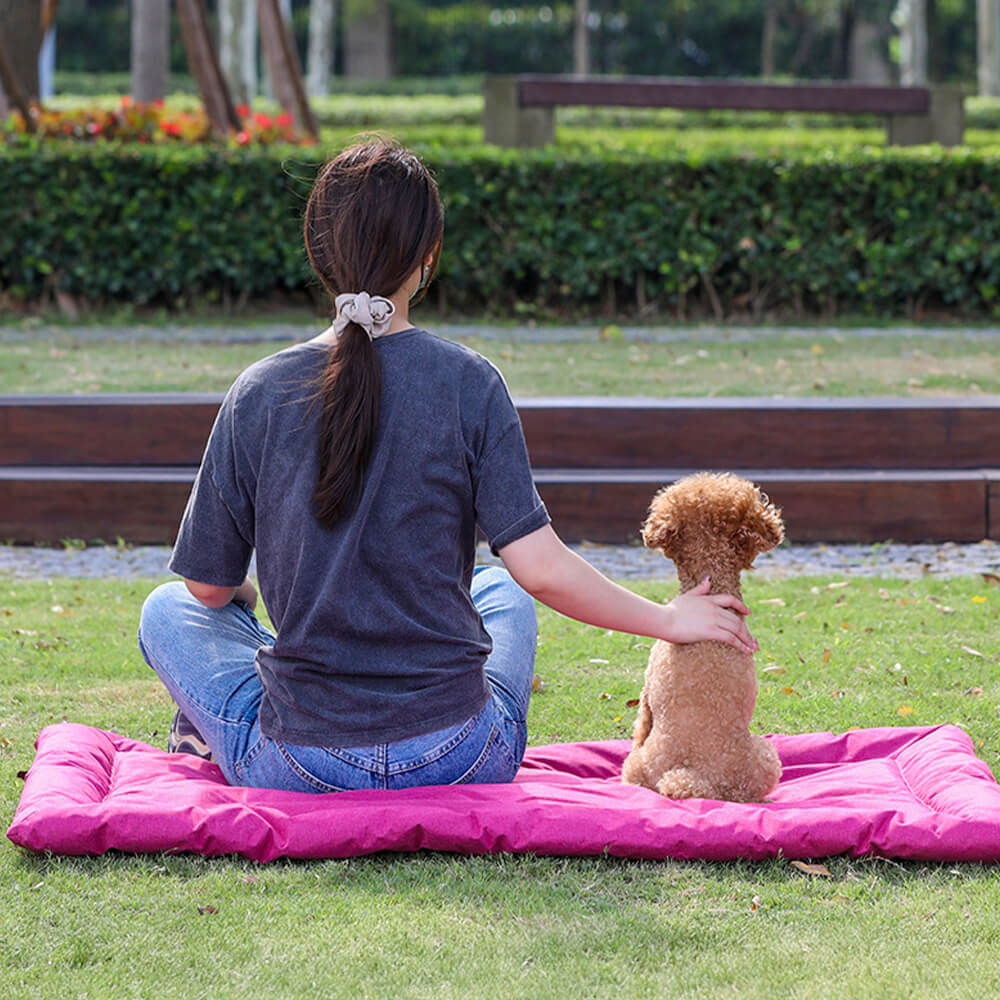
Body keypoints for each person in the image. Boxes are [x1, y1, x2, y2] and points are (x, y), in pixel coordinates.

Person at [137, 137, 757, 794]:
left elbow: (206, 590)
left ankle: (212, 735)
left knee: (166, 607)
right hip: (461, 753)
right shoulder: (469, 382)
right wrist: (667, 618)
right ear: (427, 259)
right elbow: (540, 569)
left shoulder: (258, 391)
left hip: (299, 763)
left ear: (318, 253)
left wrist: (241, 597)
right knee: (505, 587)